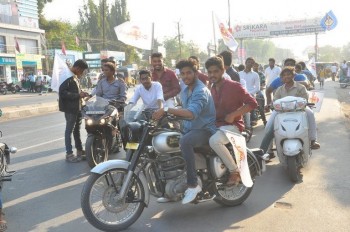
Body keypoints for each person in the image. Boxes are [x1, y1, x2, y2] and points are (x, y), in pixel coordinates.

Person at [152, 59, 216, 205]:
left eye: (189, 73)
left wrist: (167, 109)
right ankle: (171, 191)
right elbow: (182, 108)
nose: (185, 76)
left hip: (205, 130)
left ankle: (193, 185)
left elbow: (192, 113)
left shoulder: (201, 91)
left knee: (185, 141)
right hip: (190, 128)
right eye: (183, 74)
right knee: (167, 140)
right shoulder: (186, 90)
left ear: (195, 73)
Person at [207, 56, 257, 185]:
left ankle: (234, 171)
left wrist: (234, 114)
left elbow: (252, 103)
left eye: (215, 71)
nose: (212, 75)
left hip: (232, 126)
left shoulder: (234, 86)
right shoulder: (211, 88)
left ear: (223, 70)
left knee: (214, 141)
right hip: (215, 126)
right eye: (210, 72)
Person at [260, 66, 320, 154]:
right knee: (269, 126)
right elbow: (275, 101)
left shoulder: (301, 87)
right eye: (283, 75)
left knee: (310, 113)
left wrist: (300, 104)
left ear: (293, 75)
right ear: (281, 78)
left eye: (288, 74)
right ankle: (268, 150)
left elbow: (305, 99)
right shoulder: (279, 89)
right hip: (281, 111)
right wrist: (270, 105)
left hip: (299, 110)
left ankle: (313, 140)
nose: (286, 77)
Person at [59, 59, 89, 162]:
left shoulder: (74, 76)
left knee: (77, 130)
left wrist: (82, 93)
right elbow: (62, 92)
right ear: (78, 68)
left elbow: (75, 91)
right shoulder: (67, 76)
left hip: (78, 107)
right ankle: (69, 154)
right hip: (70, 109)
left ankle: (80, 151)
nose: (82, 73)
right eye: (82, 71)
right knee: (69, 131)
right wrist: (77, 95)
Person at [239, 57, 260, 127]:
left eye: (252, 63)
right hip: (240, 94)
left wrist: (248, 93)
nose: (250, 64)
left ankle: (250, 121)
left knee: (249, 105)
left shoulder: (255, 75)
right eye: (249, 62)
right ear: (245, 63)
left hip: (251, 94)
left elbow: (257, 88)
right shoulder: (239, 74)